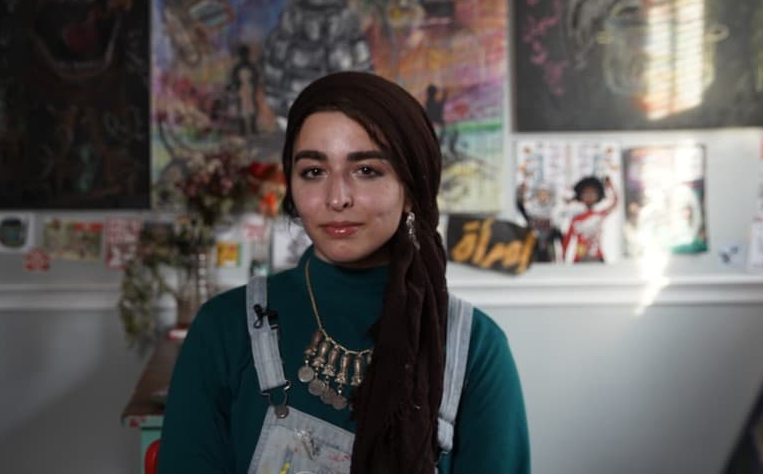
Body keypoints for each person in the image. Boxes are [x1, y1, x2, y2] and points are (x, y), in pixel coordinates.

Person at [157, 71, 529, 473]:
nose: (336, 198)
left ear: (411, 189)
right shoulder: (225, 329)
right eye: (314, 172)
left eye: (367, 170)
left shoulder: (474, 348)